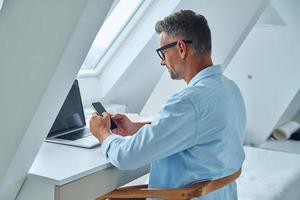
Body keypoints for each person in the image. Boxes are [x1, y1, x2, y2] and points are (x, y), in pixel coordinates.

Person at [89, 9, 246, 200]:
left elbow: (126, 157)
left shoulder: (189, 102)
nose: (162, 62)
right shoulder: (230, 90)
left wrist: (102, 133)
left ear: (181, 48)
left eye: (163, 53)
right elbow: (197, 131)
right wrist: (136, 128)